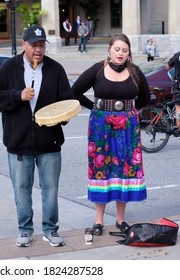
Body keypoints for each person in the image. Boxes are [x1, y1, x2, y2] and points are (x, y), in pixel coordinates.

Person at [0, 25, 73, 247]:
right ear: (23, 44)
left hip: (50, 142)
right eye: (34, 45)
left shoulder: (55, 69)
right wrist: (18, 95)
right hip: (19, 142)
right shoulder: (9, 67)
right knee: (22, 189)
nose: (38, 49)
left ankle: (50, 230)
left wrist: (61, 116)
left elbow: (66, 100)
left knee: (50, 189)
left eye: (41, 45)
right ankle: (25, 230)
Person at [72, 34, 151, 236]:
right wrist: (95, 108)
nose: (120, 53)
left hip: (127, 127)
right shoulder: (98, 69)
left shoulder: (135, 72)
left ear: (128, 52)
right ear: (109, 49)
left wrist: (129, 113)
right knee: (101, 168)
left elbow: (144, 97)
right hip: (101, 127)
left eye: (124, 50)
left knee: (124, 168)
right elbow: (75, 91)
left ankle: (120, 220)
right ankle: (98, 221)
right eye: (117, 49)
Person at [166, 51, 180, 128]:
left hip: (178, 84)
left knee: (178, 106)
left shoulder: (177, 55)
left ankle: (179, 127)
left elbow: (167, 67)